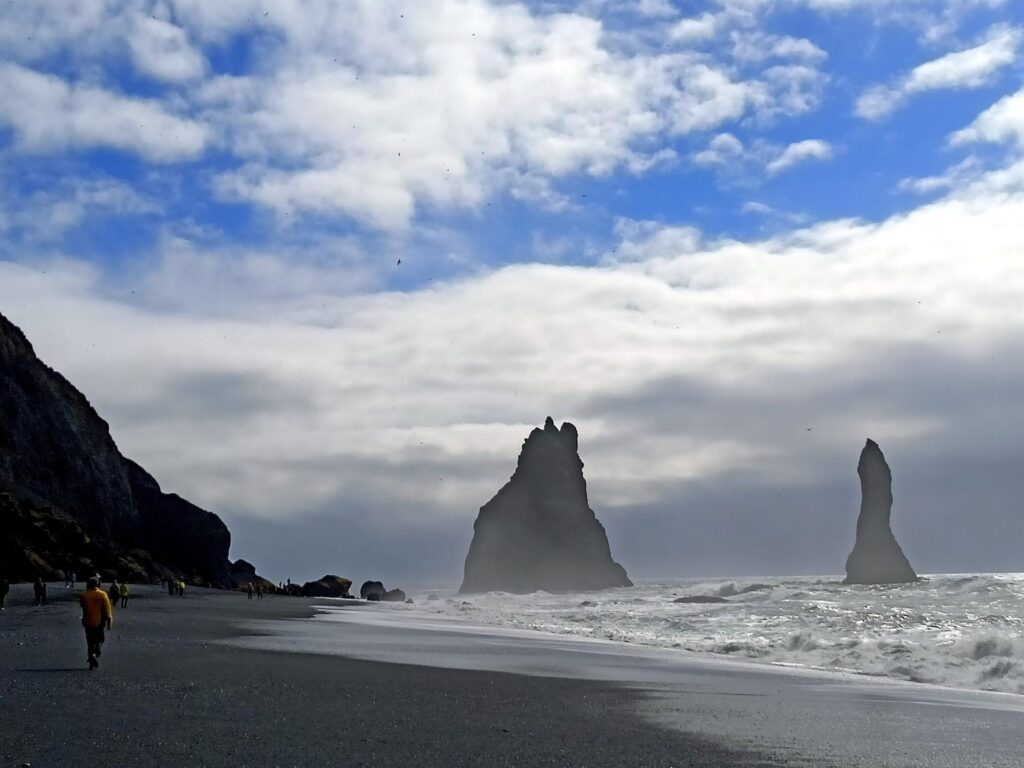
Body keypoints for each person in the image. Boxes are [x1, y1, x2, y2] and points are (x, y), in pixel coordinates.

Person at [80, 577, 112, 670]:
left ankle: (91, 663)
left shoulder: (84, 595)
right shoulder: (102, 594)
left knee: (89, 642)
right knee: (100, 639)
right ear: (98, 584)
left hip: (88, 621)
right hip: (99, 622)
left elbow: (83, 608)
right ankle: (96, 651)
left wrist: (83, 620)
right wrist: (109, 621)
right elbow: (107, 609)